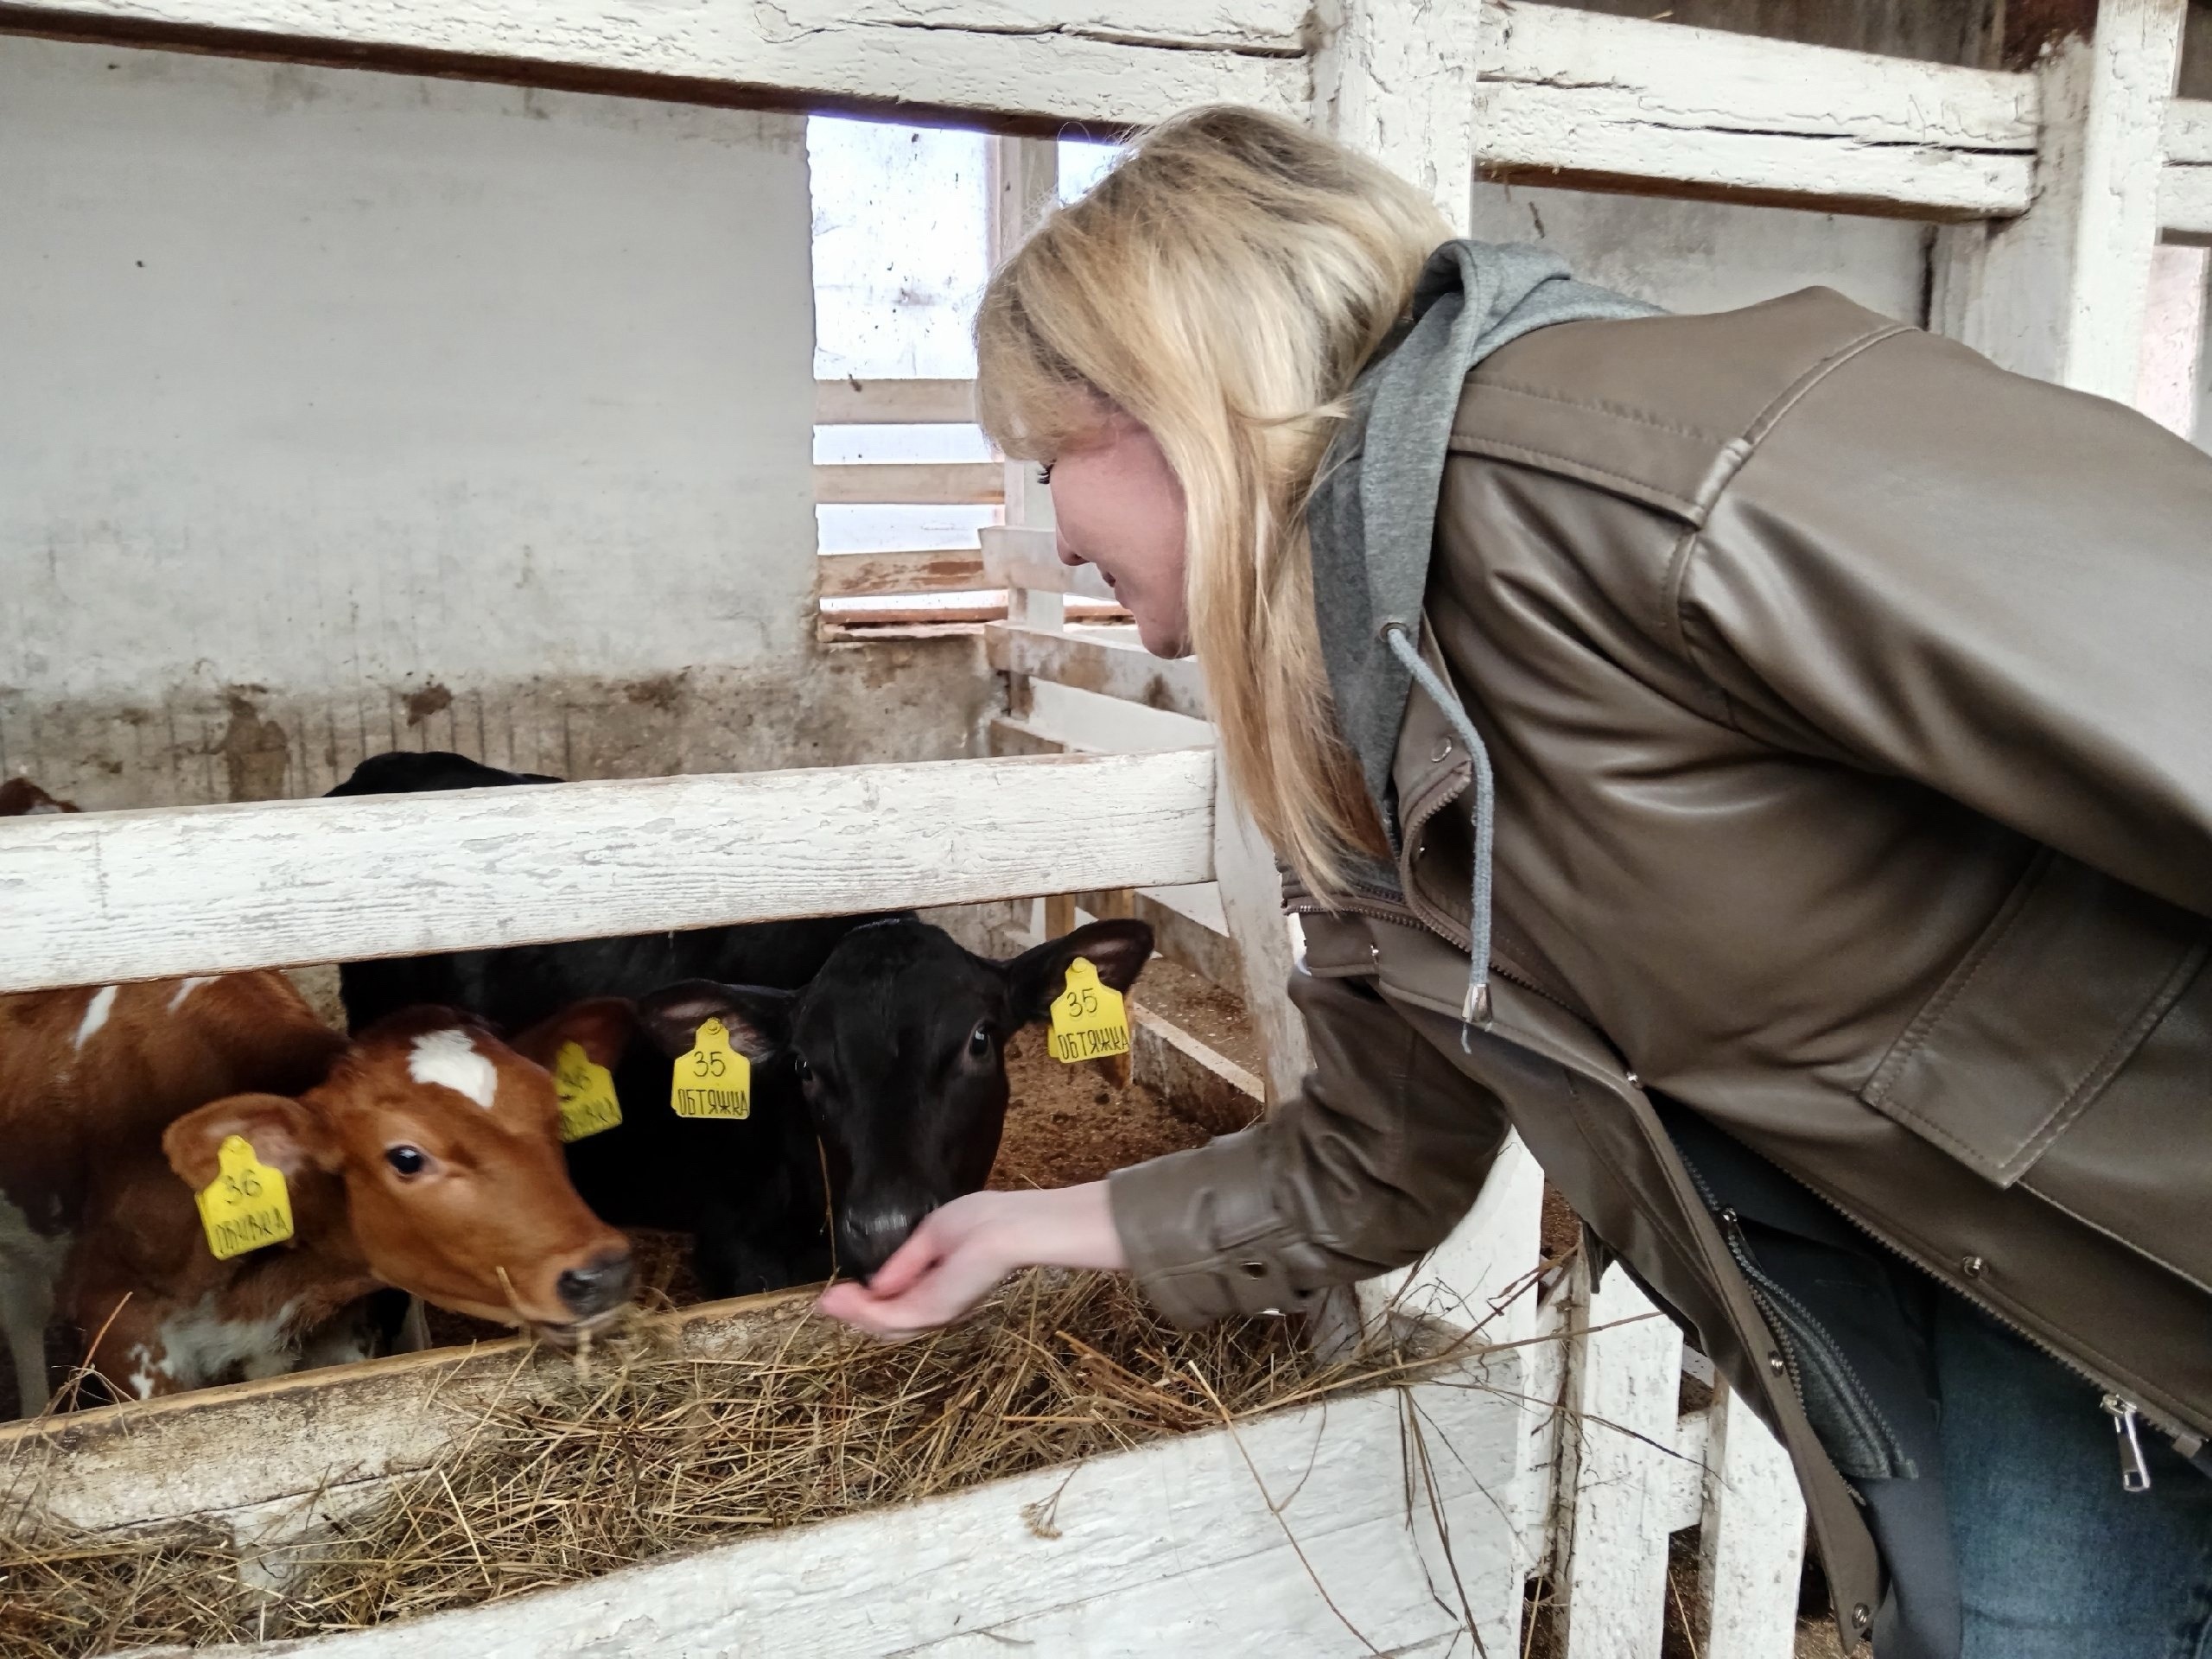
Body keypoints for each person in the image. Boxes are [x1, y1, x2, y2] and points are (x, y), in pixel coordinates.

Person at [817, 105, 2212, 1657]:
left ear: (1160, 400)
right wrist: (1019, 1229)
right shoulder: (1351, 706)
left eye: (1041, 458)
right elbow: (1373, 1161)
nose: (1049, 531)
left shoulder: (1652, 469)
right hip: (1942, 1304)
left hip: (2144, 1273)